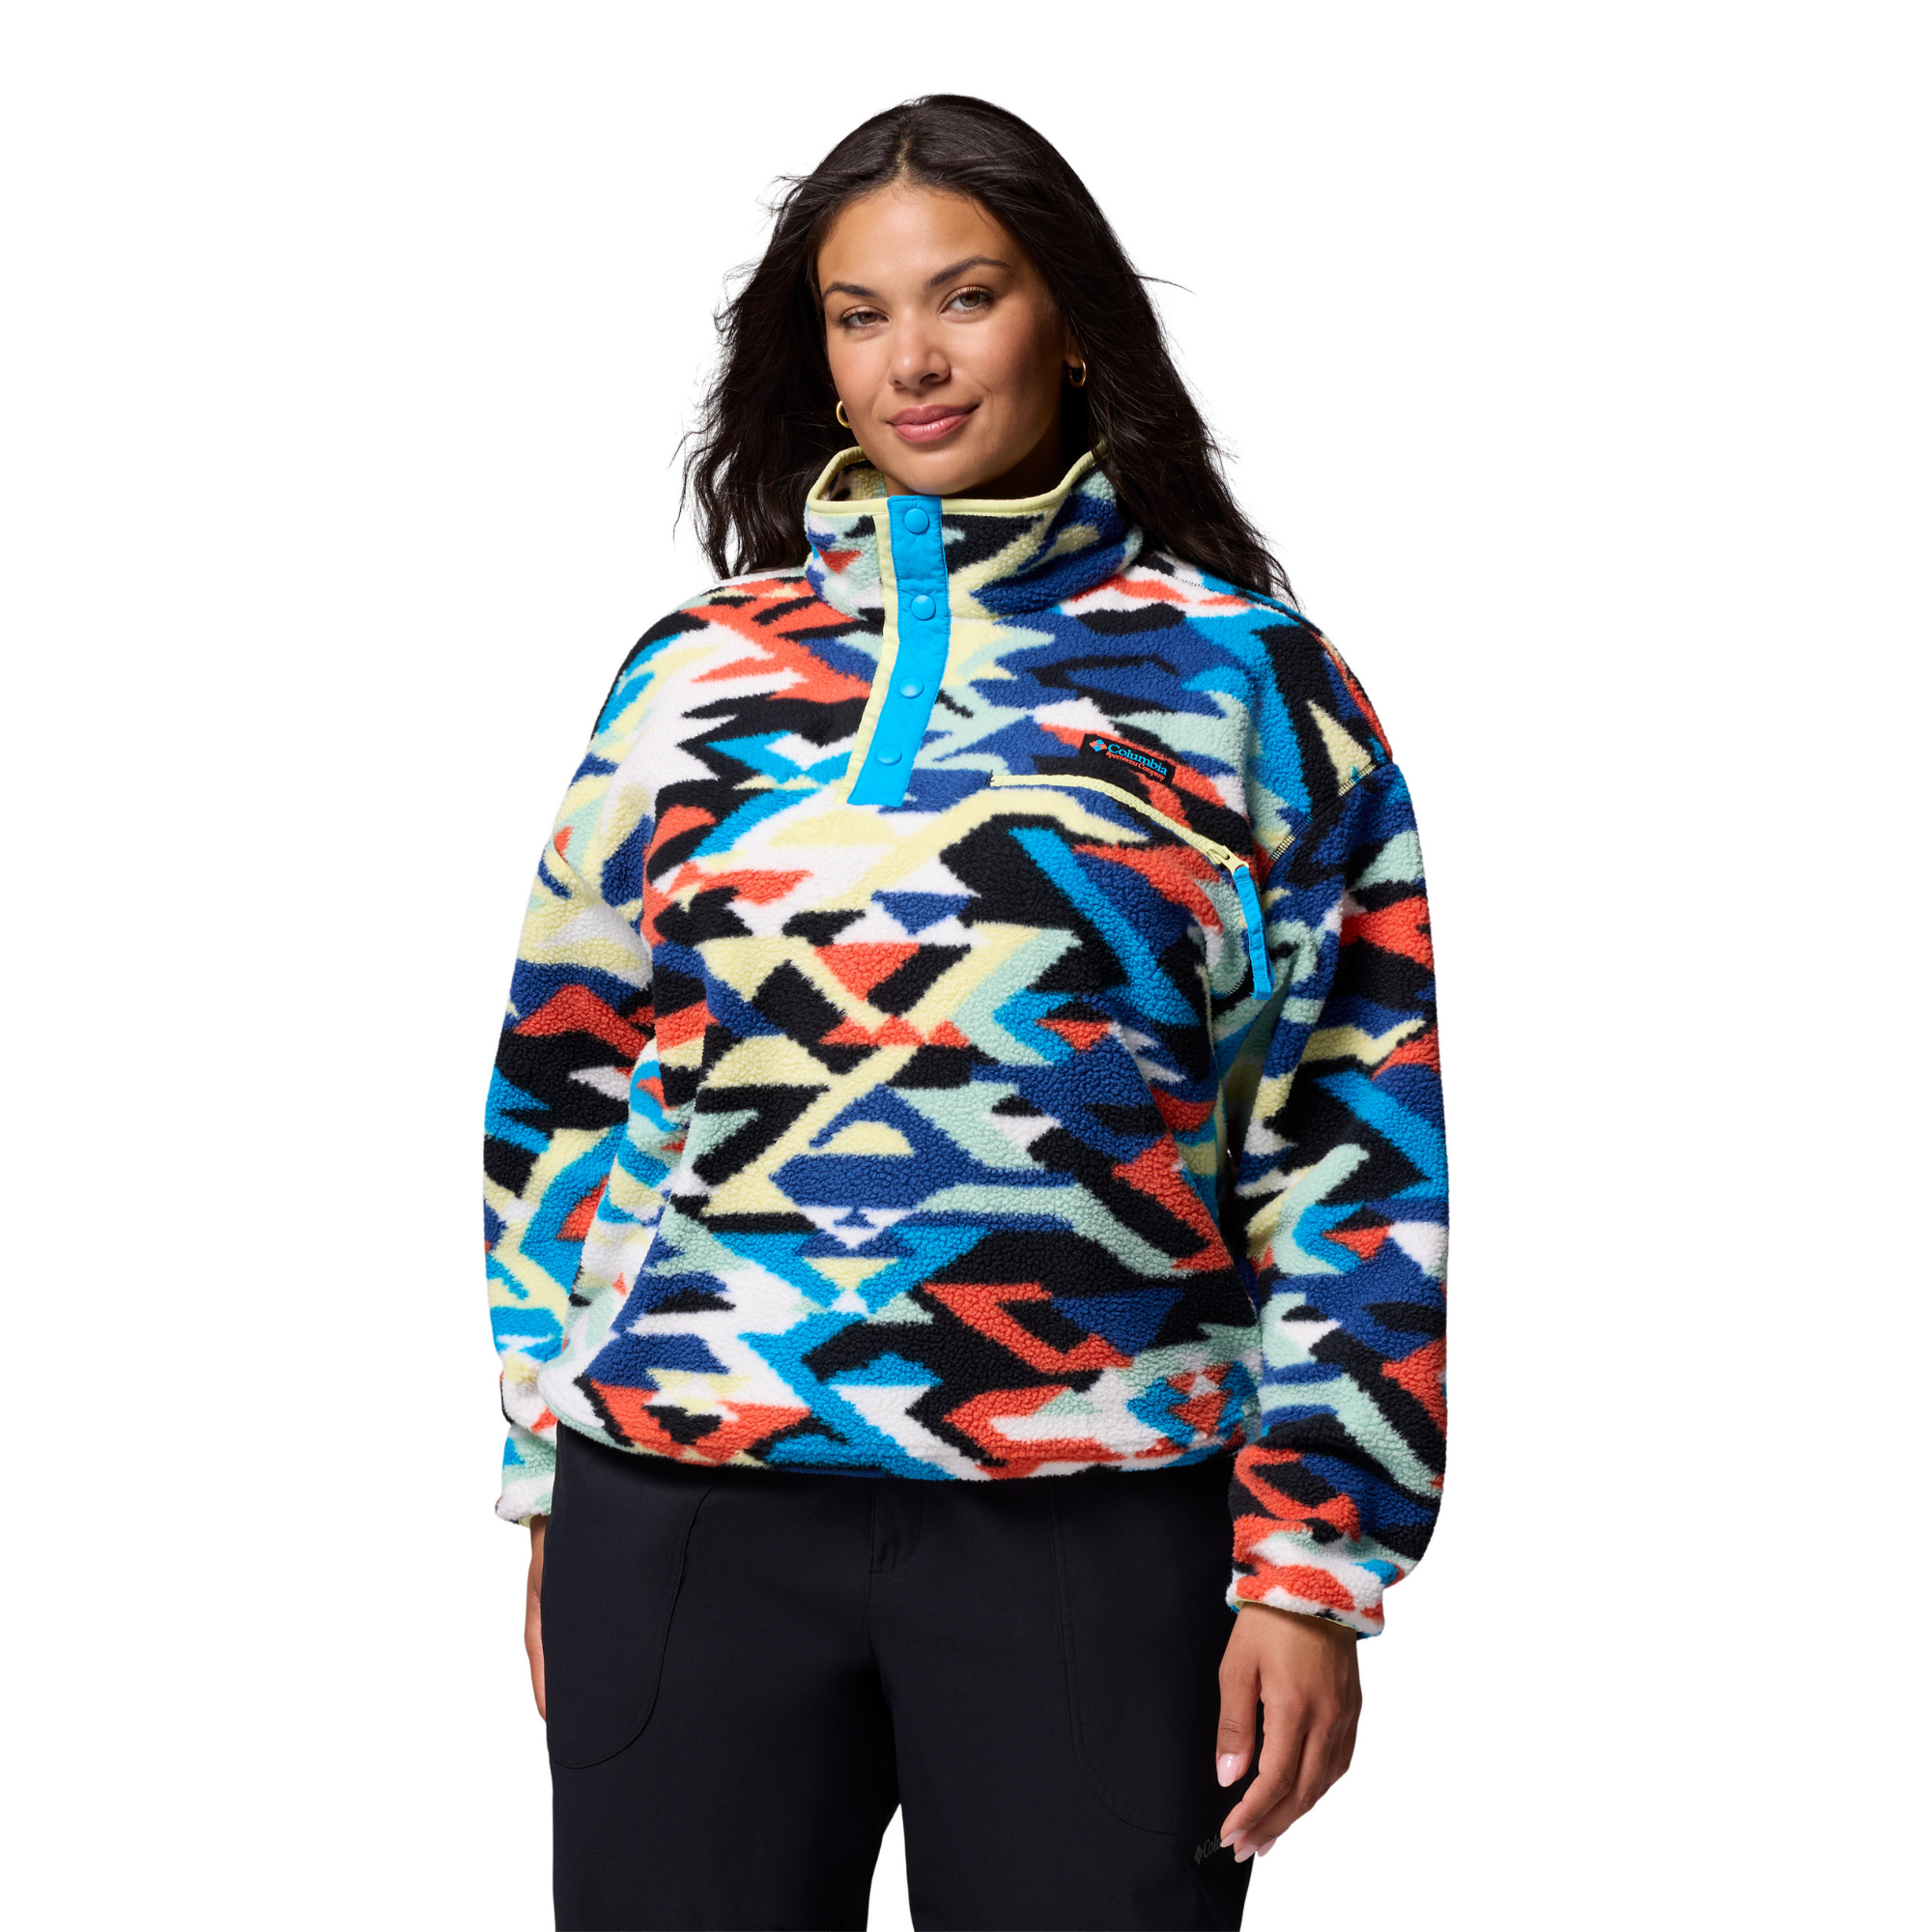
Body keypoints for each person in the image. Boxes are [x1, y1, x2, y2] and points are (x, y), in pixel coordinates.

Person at [483, 93, 1448, 1932]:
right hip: (685, 1503)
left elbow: (1351, 1137)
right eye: (860, 316)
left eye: (966, 296)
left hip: (1099, 1522)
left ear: (1067, 320)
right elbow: (567, 1085)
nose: (911, 361)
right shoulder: (692, 677)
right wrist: (546, 1463)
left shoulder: (1250, 684)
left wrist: (1313, 1563)